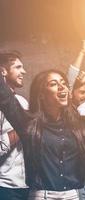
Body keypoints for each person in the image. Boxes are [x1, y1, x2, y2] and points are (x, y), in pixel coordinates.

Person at [0, 59, 85, 199]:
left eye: (64, 83)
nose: (62, 87)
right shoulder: (29, 124)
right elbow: (5, 98)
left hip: (74, 195)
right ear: (41, 94)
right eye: (53, 84)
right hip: (42, 196)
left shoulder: (80, 125)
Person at [0, 51, 29, 200]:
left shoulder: (22, 101)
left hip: (26, 185)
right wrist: (22, 129)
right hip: (4, 186)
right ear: (3, 71)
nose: (23, 71)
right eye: (18, 67)